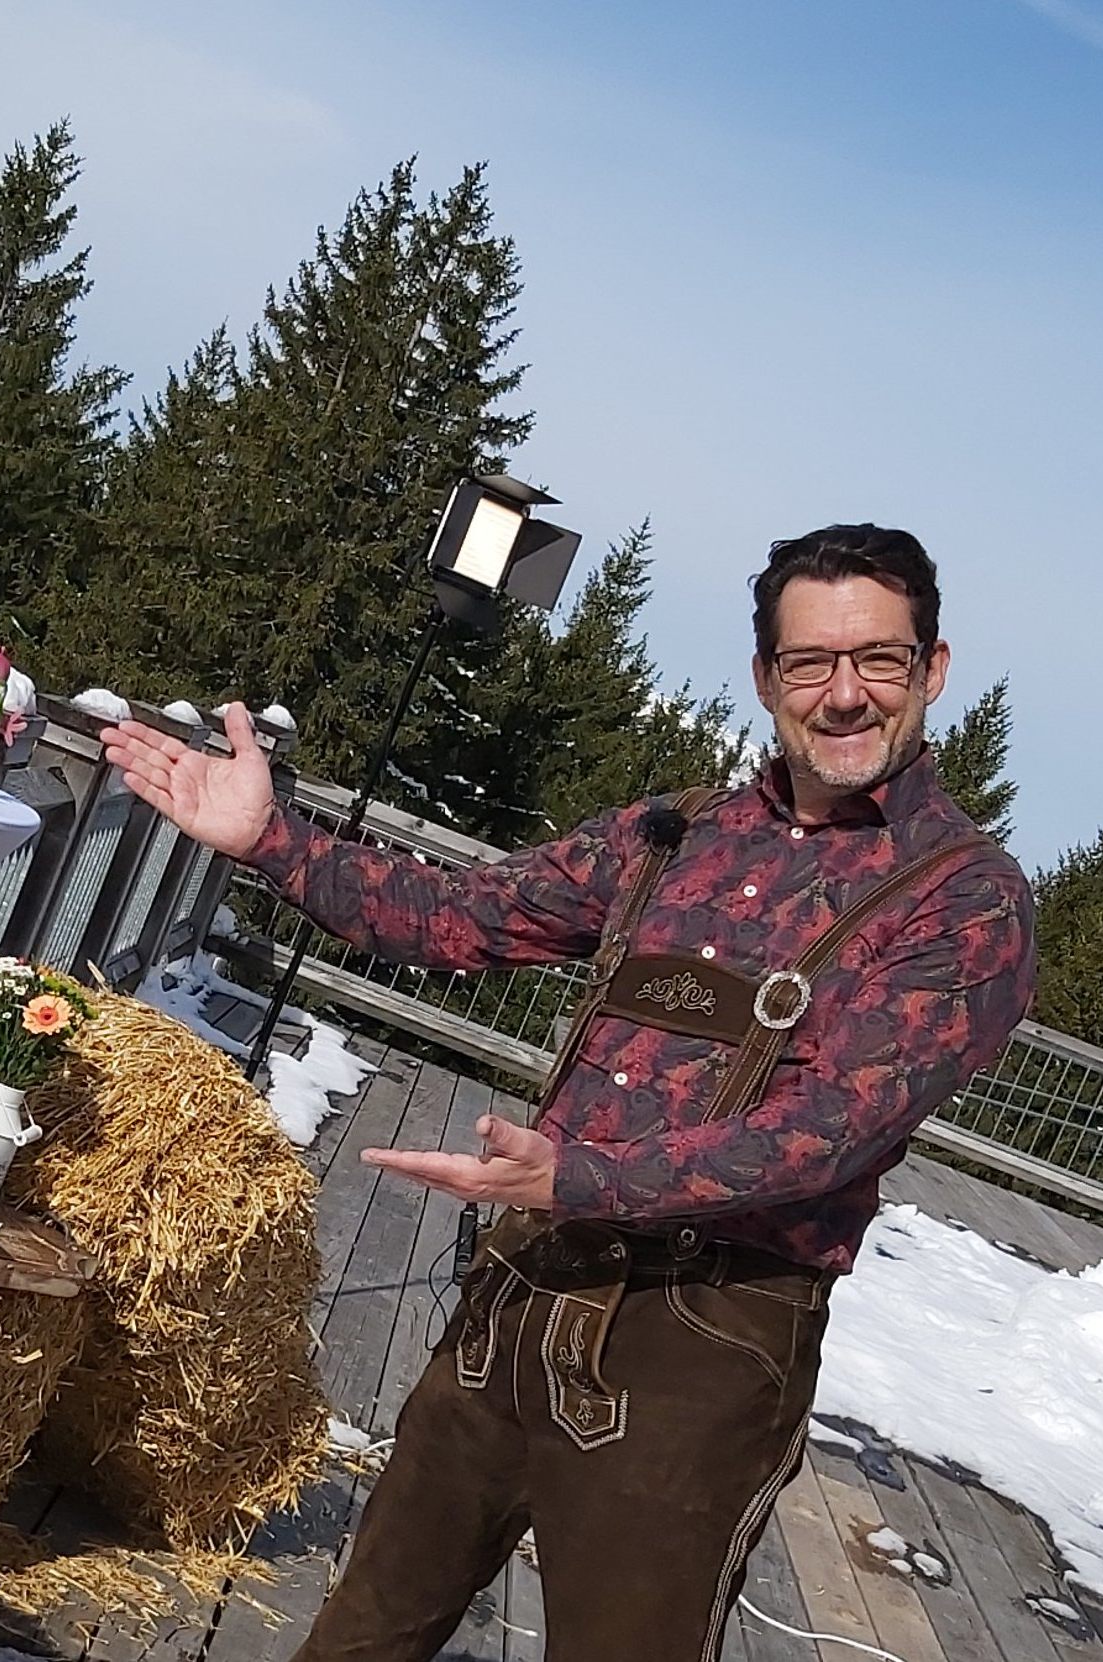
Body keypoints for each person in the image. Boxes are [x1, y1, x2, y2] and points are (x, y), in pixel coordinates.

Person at [102, 525, 1035, 1662]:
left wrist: (578, 1175)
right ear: (764, 679)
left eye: (877, 661)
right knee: (365, 1632)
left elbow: (831, 1130)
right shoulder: (672, 833)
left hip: (703, 1334)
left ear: (929, 670)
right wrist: (268, 840)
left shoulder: (959, 900)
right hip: (527, 1285)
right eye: (808, 663)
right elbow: (458, 916)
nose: (843, 695)